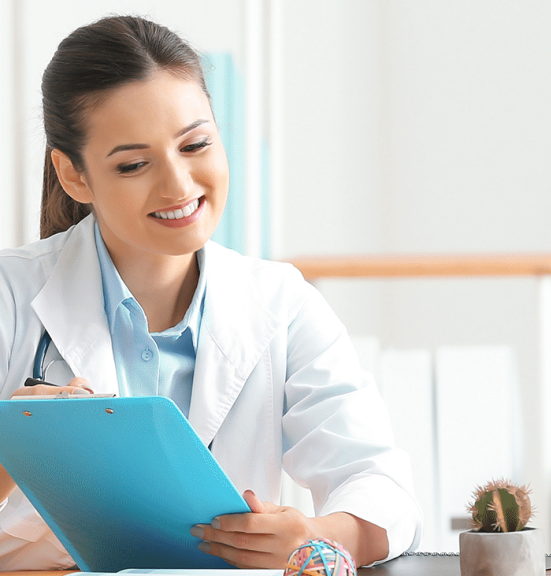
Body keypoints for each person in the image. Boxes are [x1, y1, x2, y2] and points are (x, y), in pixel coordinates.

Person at [0, 15, 420, 570]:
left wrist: (314, 534)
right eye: (133, 164)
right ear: (74, 175)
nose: (178, 185)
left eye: (195, 144)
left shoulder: (281, 305)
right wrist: (11, 446)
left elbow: (381, 488)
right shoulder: (10, 296)